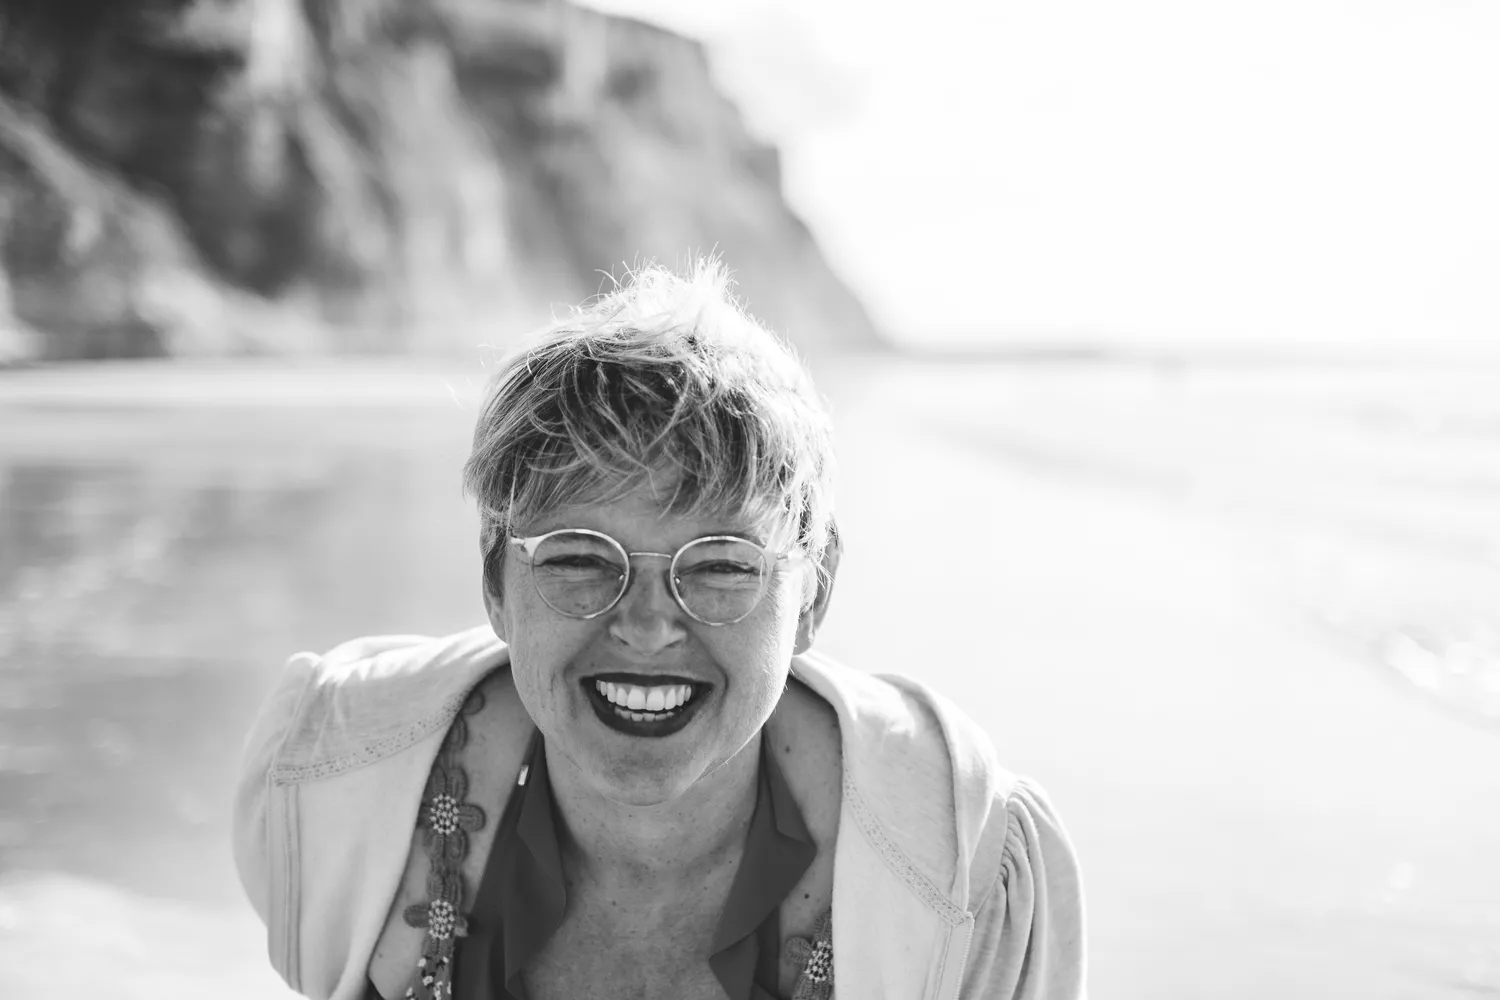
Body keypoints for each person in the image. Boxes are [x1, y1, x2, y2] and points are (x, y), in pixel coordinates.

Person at [232, 259, 1087, 1000]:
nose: (645, 628)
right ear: (496, 581)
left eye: (719, 564)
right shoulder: (329, 798)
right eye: (579, 558)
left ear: (814, 593)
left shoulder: (967, 876)